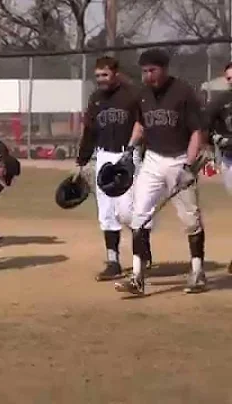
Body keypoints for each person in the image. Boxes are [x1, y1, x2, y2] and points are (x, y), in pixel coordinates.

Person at [114, 49, 206, 296]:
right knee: (139, 215)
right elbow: (141, 124)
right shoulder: (143, 95)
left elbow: (197, 131)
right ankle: (137, 277)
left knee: (190, 219)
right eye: (144, 71)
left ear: (164, 68)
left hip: (178, 160)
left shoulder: (183, 92)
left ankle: (197, 272)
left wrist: (188, 165)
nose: (147, 76)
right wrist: (130, 148)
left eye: (152, 70)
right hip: (152, 160)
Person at [75, 56, 153, 282]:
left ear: (115, 73)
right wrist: (81, 160)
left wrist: (135, 151)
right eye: (98, 75)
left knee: (129, 210)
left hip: (127, 154)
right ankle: (113, 260)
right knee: (107, 210)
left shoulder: (132, 95)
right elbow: (89, 131)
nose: (101, 79)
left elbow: (143, 125)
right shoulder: (96, 98)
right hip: (103, 155)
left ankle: (143, 251)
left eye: (105, 75)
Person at [203, 62, 232, 271]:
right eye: (228, 78)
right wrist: (215, 139)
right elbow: (205, 125)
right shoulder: (220, 101)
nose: (231, 81)